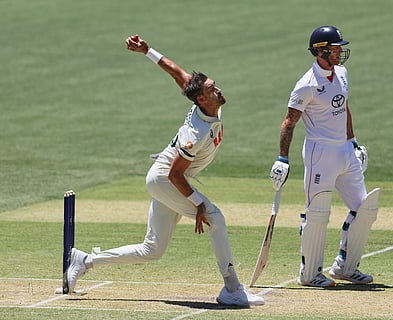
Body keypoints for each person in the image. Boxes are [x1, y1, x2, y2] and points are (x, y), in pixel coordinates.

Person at [65, 34, 264, 307]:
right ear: (202, 100)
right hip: (165, 179)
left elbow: (175, 71)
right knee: (215, 219)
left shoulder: (205, 102)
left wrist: (147, 50)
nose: (218, 90)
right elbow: (174, 174)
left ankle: (84, 261)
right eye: (212, 89)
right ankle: (232, 288)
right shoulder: (195, 133)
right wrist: (197, 203)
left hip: (170, 179)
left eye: (215, 85)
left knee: (152, 250)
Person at [270, 26, 380, 287]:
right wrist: (282, 159)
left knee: (365, 208)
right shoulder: (306, 85)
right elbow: (289, 123)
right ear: (321, 51)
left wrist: (353, 142)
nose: (340, 52)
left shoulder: (341, 73)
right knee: (318, 213)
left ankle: (345, 268)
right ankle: (308, 274)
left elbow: (344, 107)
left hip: (344, 150)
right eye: (336, 48)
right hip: (320, 153)